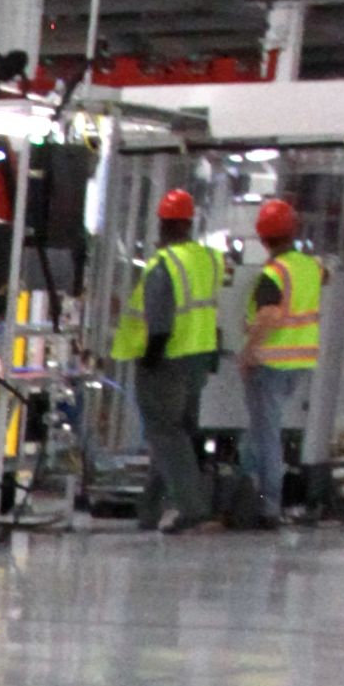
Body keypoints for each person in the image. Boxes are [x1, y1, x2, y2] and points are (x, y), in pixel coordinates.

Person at [109, 184, 222, 534]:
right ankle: (150, 510)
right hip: (198, 357)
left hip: (167, 359)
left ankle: (193, 508)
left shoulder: (164, 265)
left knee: (166, 434)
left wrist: (151, 357)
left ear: (162, 224)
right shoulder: (205, 259)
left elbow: (159, 319)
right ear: (189, 223)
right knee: (176, 433)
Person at [242, 193, 324, 521]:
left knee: (266, 435)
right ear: (293, 232)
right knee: (261, 431)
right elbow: (325, 277)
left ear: (262, 237)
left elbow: (270, 316)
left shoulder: (274, 273)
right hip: (300, 362)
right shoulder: (309, 266)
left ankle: (268, 506)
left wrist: (249, 351)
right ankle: (245, 490)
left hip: (271, 363)